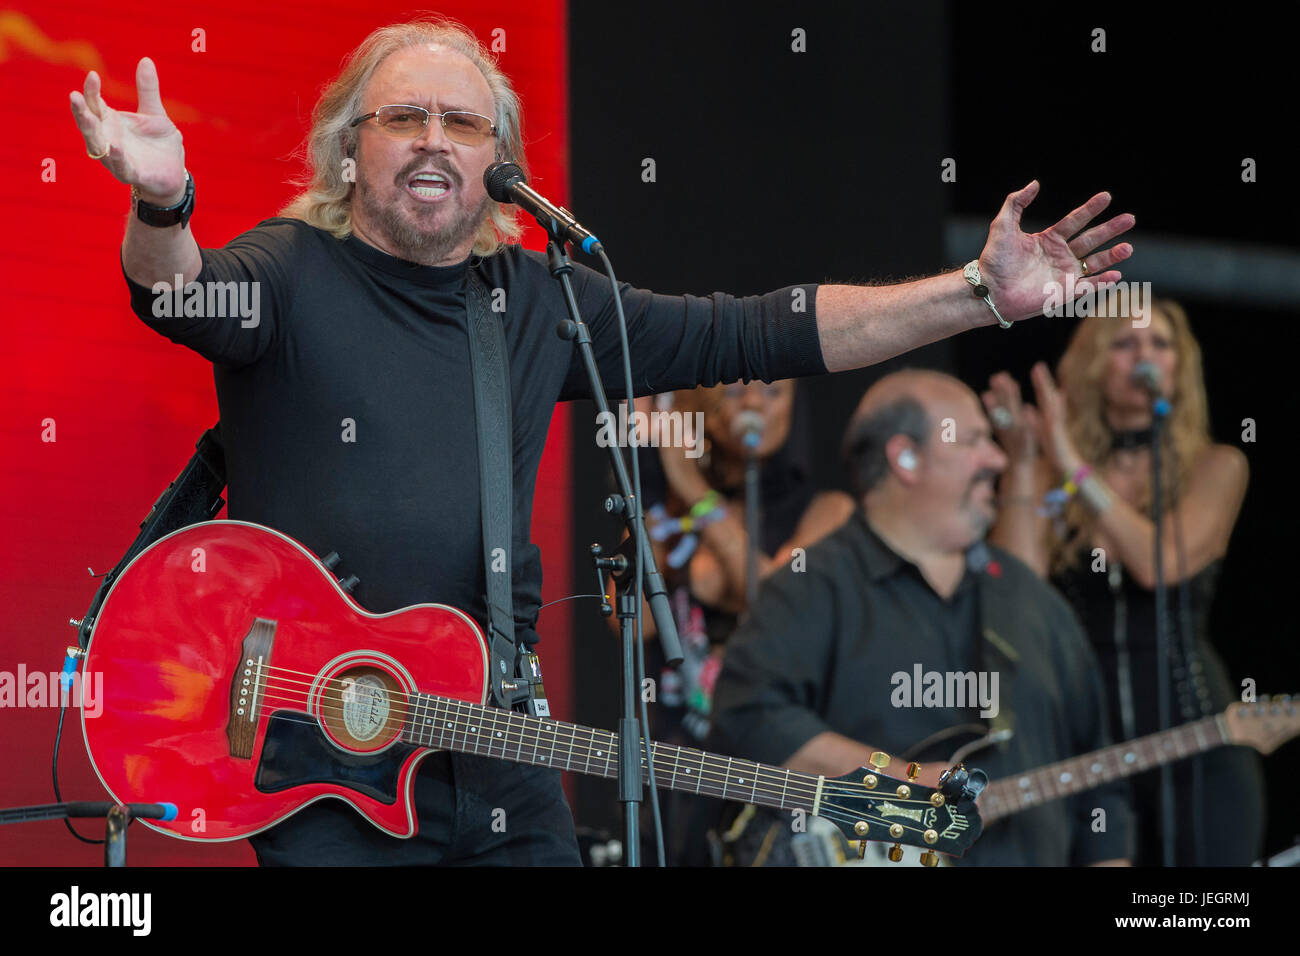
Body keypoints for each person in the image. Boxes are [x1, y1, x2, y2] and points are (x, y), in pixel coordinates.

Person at [67, 15, 1135, 866]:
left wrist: (975, 295)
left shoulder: (535, 302)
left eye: (465, 123)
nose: (436, 139)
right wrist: (165, 205)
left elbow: (766, 327)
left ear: (503, 166)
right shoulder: (291, 270)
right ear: (350, 152)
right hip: (315, 751)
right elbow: (182, 297)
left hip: (497, 751)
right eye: (405, 117)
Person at [710, 370, 1133, 865]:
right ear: (905, 458)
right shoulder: (812, 586)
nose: (997, 457)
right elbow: (748, 718)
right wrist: (903, 780)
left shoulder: (1031, 599)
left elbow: (1101, 787)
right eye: (974, 440)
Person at [985, 298, 1266, 866]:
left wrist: (1072, 463)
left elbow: (1158, 565)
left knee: (1207, 911)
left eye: (1161, 345)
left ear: (1180, 366)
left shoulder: (1216, 466)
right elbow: (1013, 590)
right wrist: (1024, 466)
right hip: (1083, 748)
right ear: (1092, 365)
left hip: (1199, 742)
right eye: (1126, 343)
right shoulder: (1051, 478)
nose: (1146, 356)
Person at [622, 381, 854, 863]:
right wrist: (649, 478)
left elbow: (772, 601)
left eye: (773, 393)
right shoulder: (665, 514)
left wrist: (695, 491)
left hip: (775, 769)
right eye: (734, 393)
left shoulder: (827, 510)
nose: (753, 404)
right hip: (680, 759)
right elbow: (634, 622)